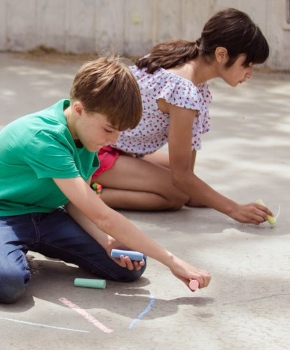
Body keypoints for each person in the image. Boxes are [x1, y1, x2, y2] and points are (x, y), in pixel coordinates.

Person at [0, 55, 211, 304]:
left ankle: (11, 249)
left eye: (119, 132)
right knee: (7, 284)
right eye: (109, 129)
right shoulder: (44, 137)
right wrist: (172, 261)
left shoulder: (87, 134)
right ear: (80, 109)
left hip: (47, 214)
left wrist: (105, 240)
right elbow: (103, 216)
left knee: (131, 264)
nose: (114, 140)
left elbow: (76, 202)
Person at [91, 8, 273, 225]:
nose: (250, 73)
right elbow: (181, 178)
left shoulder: (186, 67)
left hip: (122, 148)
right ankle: (86, 194)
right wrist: (234, 210)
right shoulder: (182, 89)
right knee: (176, 195)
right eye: (248, 64)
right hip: (95, 150)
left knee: (185, 185)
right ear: (222, 54)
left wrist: (197, 193)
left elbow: (187, 171)